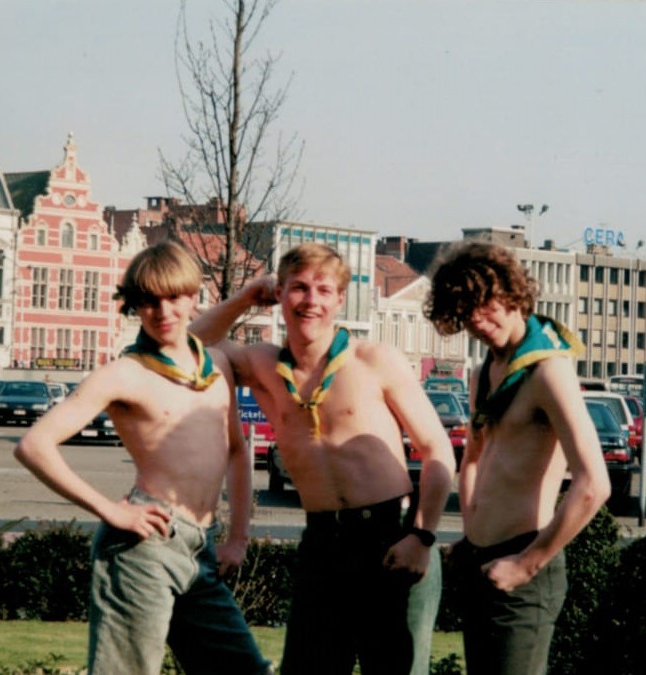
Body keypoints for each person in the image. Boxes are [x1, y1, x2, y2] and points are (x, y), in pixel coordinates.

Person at [190, 242, 456, 675]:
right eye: (298, 288)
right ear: (279, 293)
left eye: (323, 290)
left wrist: (421, 537)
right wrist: (244, 298)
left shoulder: (374, 360)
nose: (310, 300)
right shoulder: (262, 365)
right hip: (322, 545)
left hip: (393, 537)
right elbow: (189, 345)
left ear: (339, 299)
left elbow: (437, 450)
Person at [14, 241, 271, 675]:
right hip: (144, 546)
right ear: (135, 306)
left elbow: (235, 450)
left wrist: (239, 538)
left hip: (201, 548)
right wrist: (112, 510)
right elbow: (34, 446)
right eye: (149, 301)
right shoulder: (125, 373)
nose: (163, 311)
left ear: (192, 297)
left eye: (173, 297)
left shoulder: (216, 365)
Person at [424, 240, 611, 675]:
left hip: (523, 566)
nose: (476, 320)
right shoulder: (484, 373)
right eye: (464, 311)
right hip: (482, 561)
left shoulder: (549, 371)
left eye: (484, 305)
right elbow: (474, 460)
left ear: (512, 294)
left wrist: (528, 564)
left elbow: (594, 484)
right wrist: (471, 535)